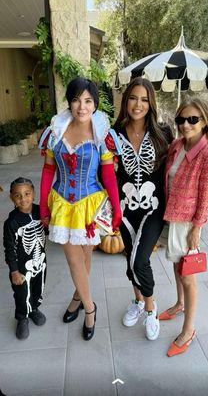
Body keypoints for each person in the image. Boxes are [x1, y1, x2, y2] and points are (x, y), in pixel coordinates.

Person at [39, 76, 121, 341]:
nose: (81, 106)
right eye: (76, 100)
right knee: (74, 260)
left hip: (90, 205)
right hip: (63, 204)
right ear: (70, 102)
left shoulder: (102, 134)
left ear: (95, 104)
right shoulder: (55, 131)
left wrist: (116, 208)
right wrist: (43, 207)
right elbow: (48, 171)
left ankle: (77, 296)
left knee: (85, 258)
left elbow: (108, 175)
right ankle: (90, 308)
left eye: (87, 101)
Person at [159, 96, 208, 357]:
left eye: (193, 119)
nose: (186, 124)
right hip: (171, 214)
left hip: (187, 222)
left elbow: (207, 195)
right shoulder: (177, 144)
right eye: (181, 119)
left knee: (188, 275)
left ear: (205, 121)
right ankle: (179, 304)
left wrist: (197, 227)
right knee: (176, 264)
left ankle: (188, 330)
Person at [113, 77, 170, 341]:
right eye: (133, 98)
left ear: (151, 103)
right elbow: (108, 171)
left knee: (139, 259)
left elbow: (174, 171)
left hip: (154, 207)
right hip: (125, 208)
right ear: (126, 101)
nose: (138, 104)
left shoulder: (163, 133)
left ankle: (150, 308)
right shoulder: (115, 133)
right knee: (129, 257)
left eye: (144, 99)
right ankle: (137, 300)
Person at [3, 177, 47, 340]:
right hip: (21, 268)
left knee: (38, 288)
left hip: (41, 261)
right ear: (11, 198)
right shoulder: (11, 222)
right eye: (18, 195)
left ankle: (34, 308)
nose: (23, 199)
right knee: (21, 294)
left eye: (27, 194)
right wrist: (14, 271)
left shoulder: (40, 211)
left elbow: (47, 231)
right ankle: (22, 317)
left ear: (34, 194)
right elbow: (9, 248)